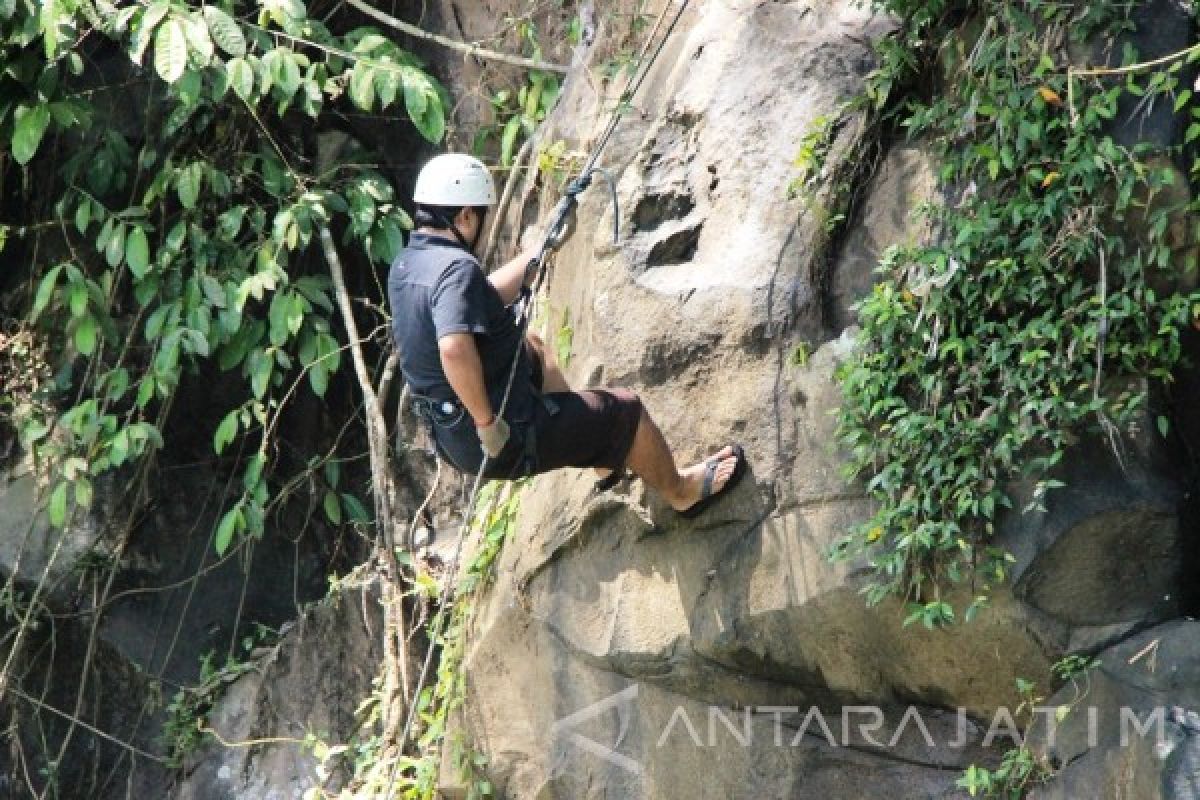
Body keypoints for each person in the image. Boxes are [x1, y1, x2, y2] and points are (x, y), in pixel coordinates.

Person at [387, 154, 747, 517]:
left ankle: (598, 450)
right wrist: (487, 424)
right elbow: (453, 349)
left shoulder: (408, 264)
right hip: (496, 437)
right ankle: (681, 491)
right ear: (464, 217)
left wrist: (542, 250)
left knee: (535, 350)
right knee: (627, 410)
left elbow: (480, 298)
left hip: (450, 434)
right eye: (480, 214)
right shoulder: (456, 268)